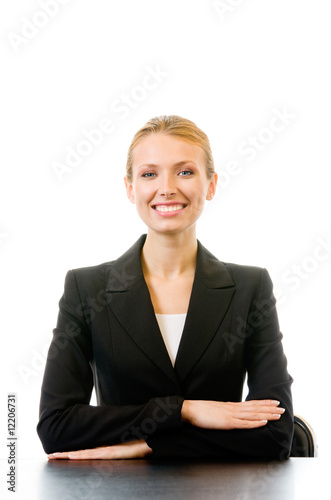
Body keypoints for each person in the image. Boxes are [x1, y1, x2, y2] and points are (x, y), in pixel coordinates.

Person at [37, 115, 293, 460]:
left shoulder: (250, 287)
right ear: (130, 188)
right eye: (149, 174)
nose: (167, 187)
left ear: (211, 184)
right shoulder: (86, 289)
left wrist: (145, 446)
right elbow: (57, 427)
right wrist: (183, 410)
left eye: (185, 172)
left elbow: (277, 436)